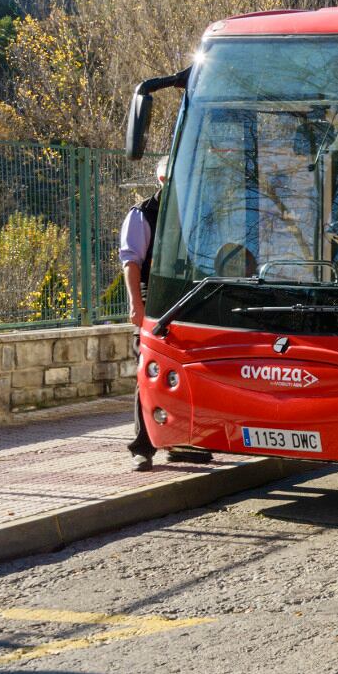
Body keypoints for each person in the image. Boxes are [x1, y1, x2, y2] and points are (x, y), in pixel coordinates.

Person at [122, 159, 210, 472]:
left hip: (189, 302)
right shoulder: (142, 214)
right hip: (155, 304)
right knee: (149, 373)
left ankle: (181, 440)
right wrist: (137, 305)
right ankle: (142, 447)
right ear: (161, 179)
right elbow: (131, 263)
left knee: (188, 373)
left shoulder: (195, 213)